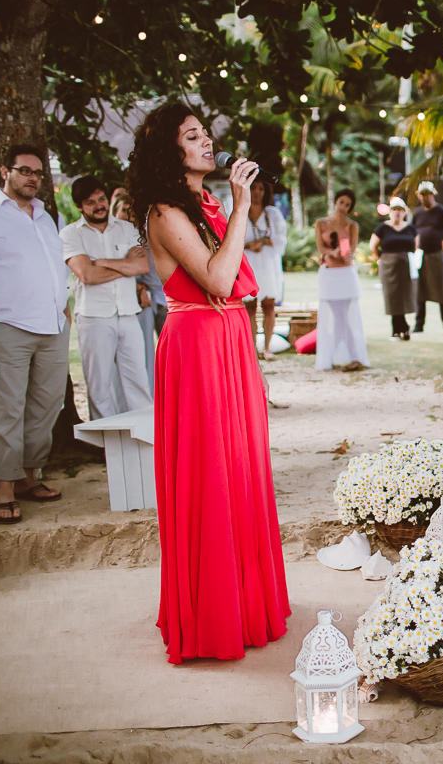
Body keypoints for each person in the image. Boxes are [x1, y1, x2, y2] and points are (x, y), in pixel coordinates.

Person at [127, 102, 289, 663]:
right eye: (193, 136)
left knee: (241, 469)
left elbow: (234, 282)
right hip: (195, 346)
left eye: (205, 134)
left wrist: (232, 208)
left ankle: (244, 602)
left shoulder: (204, 203)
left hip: (229, 342)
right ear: (170, 152)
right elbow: (219, 277)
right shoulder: (167, 212)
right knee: (210, 477)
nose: (207, 142)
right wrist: (244, 205)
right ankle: (213, 612)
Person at [0, 144, 71, 525]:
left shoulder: (45, 216)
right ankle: (5, 489)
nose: (32, 178)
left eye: (38, 173)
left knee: (46, 407)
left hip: (52, 327)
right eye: (24, 170)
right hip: (6, 328)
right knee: (5, 411)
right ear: (4, 172)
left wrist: (64, 311)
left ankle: (31, 477)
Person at [61, 175, 153, 419]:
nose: (99, 205)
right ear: (79, 207)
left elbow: (142, 266)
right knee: (100, 386)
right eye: (90, 202)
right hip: (93, 316)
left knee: (138, 381)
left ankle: (145, 442)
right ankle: (106, 448)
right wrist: (125, 265)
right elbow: (87, 275)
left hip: (128, 313)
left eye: (101, 198)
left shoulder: (127, 229)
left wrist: (101, 262)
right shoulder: (71, 234)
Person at [114, 192, 166, 393]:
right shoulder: (117, 237)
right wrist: (139, 288)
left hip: (160, 297)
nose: (129, 216)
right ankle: (149, 393)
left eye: (132, 212)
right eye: (125, 212)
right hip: (136, 300)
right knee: (143, 353)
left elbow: (143, 266)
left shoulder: (146, 233)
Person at [313, 189, 369, 371]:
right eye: (342, 202)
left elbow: (351, 249)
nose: (344, 207)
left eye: (348, 205)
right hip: (329, 274)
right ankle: (335, 355)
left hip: (346, 274)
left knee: (346, 317)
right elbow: (320, 247)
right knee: (334, 317)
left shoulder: (352, 226)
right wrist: (332, 253)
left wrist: (346, 255)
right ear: (336, 201)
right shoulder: (321, 223)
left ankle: (354, 356)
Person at [242, 179, 287, 361]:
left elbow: (282, 240)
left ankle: (267, 348)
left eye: (261, 188)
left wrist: (263, 241)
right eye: (253, 188)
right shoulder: (240, 212)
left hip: (269, 265)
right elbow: (231, 240)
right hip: (249, 264)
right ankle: (252, 349)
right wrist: (249, 245)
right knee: (249, 306)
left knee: (269, 305)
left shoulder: (273, 214)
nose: (257, 192)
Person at [369, 196, 418, 340]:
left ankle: (401, 327)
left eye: (400, 210)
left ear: (404, 212)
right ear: (390, 212)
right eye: (394, 209)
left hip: (406, 265)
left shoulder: (410, 228)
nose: (397, 212)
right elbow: (373, 246)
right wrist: (383, 258)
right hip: (389, 265)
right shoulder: (383, 228)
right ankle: (398, 328)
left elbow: (416, 246)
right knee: (392, 296)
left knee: (404, 295)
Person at [412, 181, 443, 334]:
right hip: (422, 256)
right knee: (420, 291)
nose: (425, 197)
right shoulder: (417, 213)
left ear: (433, 194)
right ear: (418, 196)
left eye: (427, 193)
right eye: (422, 194)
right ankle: (419, 324)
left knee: (442, 290)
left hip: (438, 255)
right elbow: (413, 231)